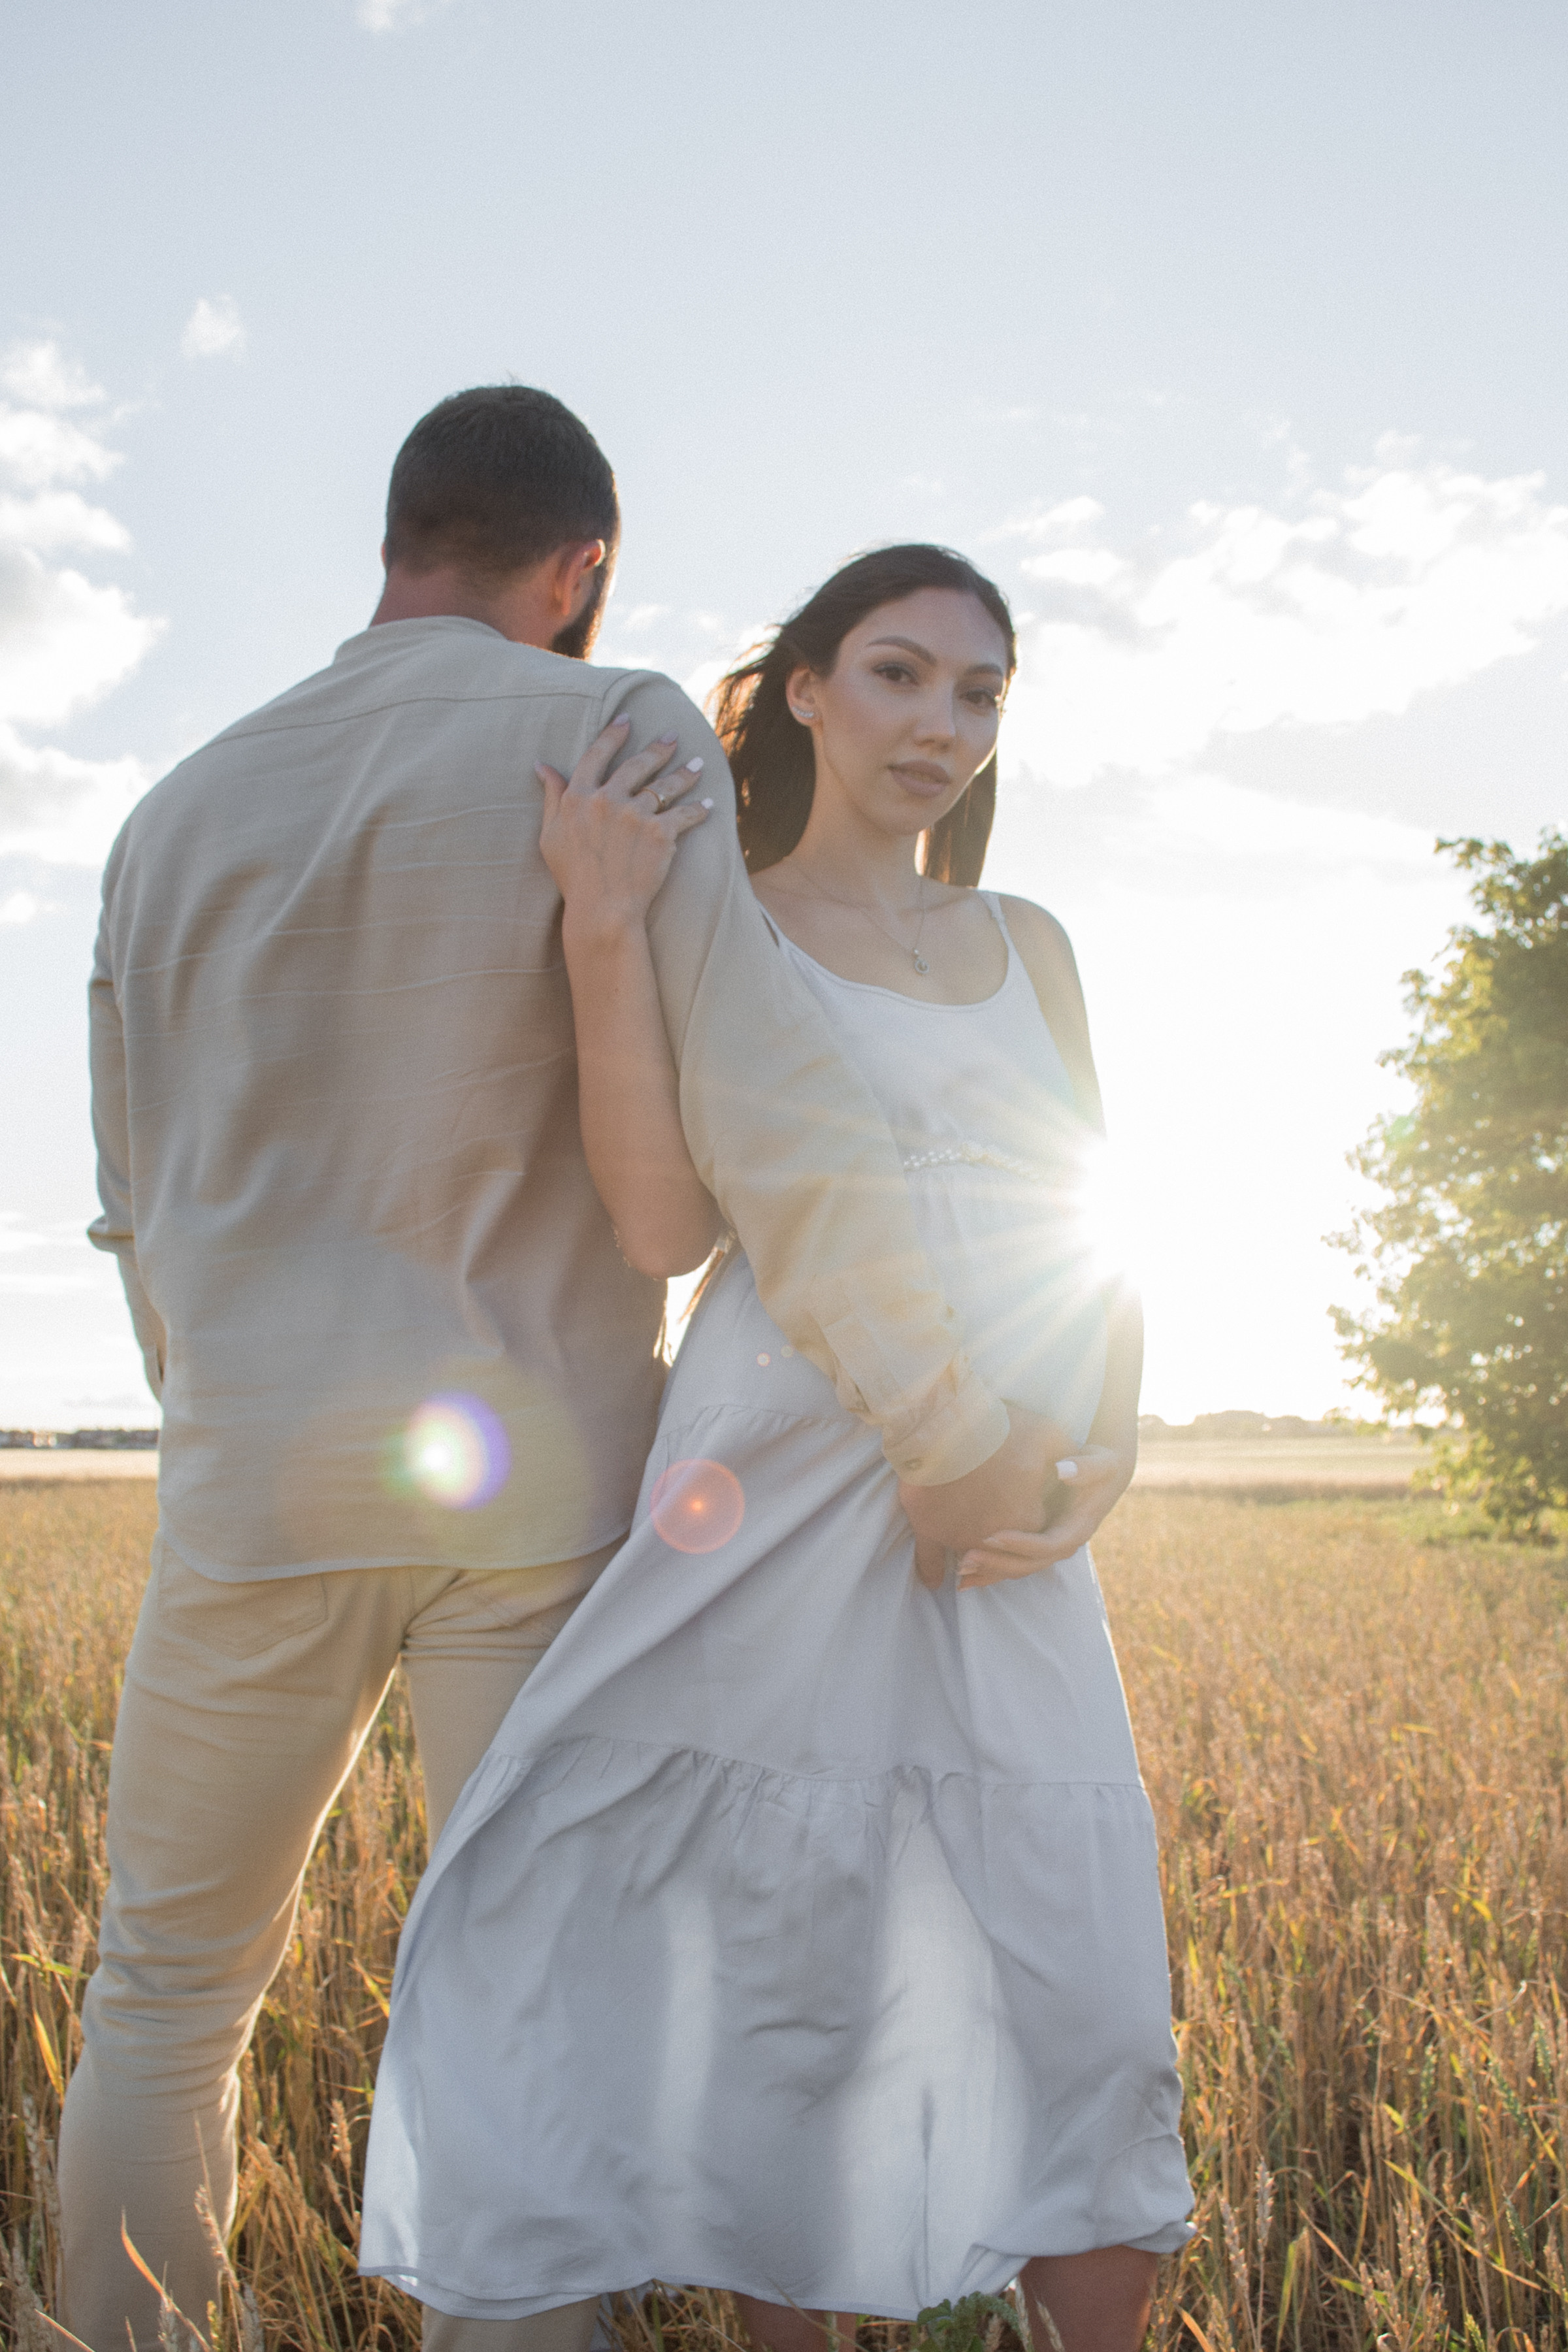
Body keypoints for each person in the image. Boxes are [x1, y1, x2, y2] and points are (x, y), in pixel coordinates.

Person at [63, 400, 1069, 2352]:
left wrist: (217, 1413)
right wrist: (946, 1419)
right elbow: (773, 1124)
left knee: (163, 1996)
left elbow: (129, 1200)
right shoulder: (610, 739)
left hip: (248, 1483)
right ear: (581, 570)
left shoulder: (169, 806)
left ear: (398, 537)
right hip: (539, 1496)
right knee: (538, 1989)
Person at [359, 546, 1194, 2352]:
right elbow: (661, 1226)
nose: (941, 725)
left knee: (1096, 2004)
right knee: (789, 1992)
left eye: (979, 693)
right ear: (804, 689)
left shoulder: (1026, 944)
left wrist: (1110, 1432)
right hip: (776, 1472)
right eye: (898, 675)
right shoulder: (718, 910)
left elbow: (1100, 1213)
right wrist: (603, 920)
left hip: (1003, 1500)